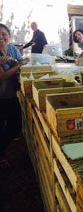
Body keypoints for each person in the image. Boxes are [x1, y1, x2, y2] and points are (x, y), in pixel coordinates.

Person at [0, 23, 30, 169]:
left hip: (10, 94)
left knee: (16, 124)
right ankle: (1, 156)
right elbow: (3, 75)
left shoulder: (12, 48)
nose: (1, 38)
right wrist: (18, 64)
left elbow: (22, 64)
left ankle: (1, 147)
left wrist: (16, 62)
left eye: (4, 34)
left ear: (9, 35)